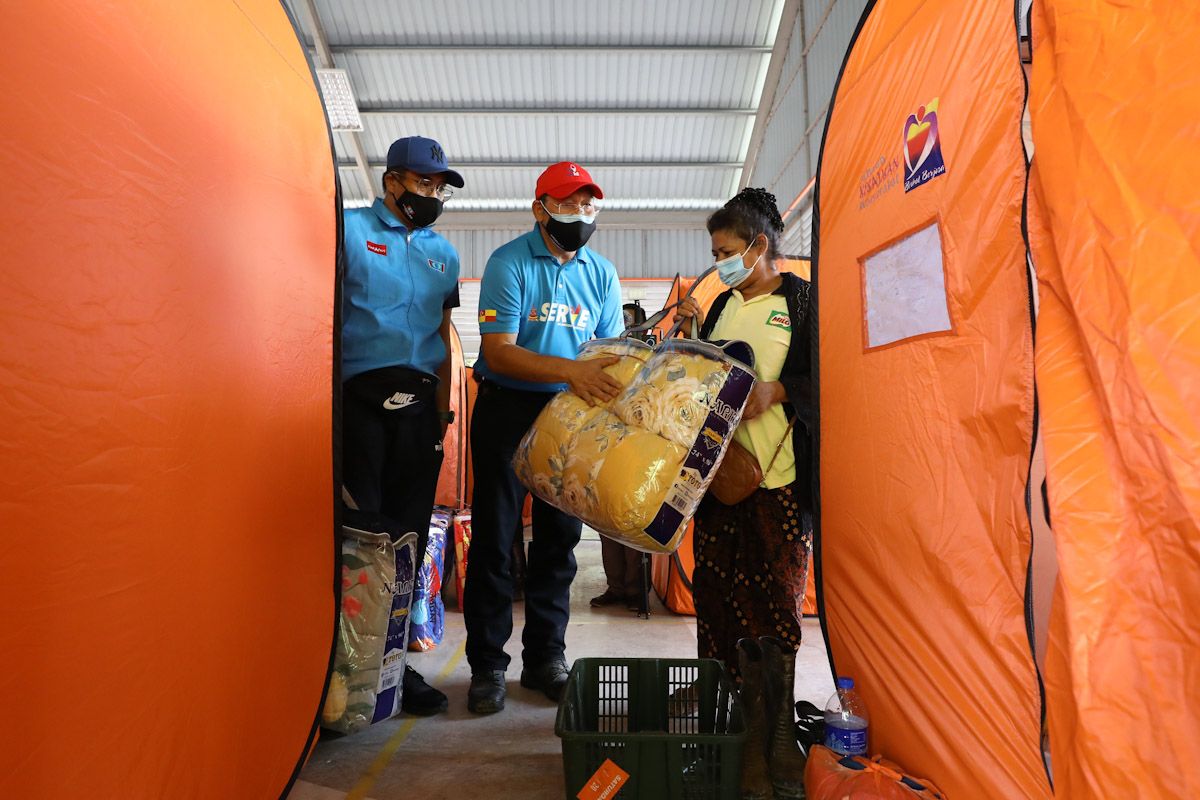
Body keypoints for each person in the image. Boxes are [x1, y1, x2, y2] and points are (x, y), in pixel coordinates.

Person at [464, 162, 624, 714]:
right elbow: (499, 351)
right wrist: (571, 370)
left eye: (588, 204)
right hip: (508, 408)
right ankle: (487, 665)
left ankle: (545, 660)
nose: (581, 213)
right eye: (569, 203)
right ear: (540, 209)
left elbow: (608, 353)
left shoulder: (601, 273)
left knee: (558, 543)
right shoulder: (509, 263)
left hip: (569, 416)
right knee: (495, 540)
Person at [675, 187, 813, 797]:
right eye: (715, 254)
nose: (720, 263)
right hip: (720, 481)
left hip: (777, 482)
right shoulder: (721, 308)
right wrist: (687, 339)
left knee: (776, 606)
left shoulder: (801, 303)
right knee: (719, 603)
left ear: (759, 245)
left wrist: (776, 392)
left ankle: (776, 738)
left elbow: (827, 378)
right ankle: (733, 736)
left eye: (726, 252)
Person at [340, 135, 464, 717]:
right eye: (423, 183)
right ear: (392, 182)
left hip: (418, 411)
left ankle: (393, 666)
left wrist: (441, 414)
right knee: (358, 537)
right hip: (356, 403)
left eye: (440, 187)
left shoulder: (444, 254)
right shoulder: (346, 231)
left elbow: (442, 335)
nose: (432, 194)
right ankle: (343, 670)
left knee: (406, 540)